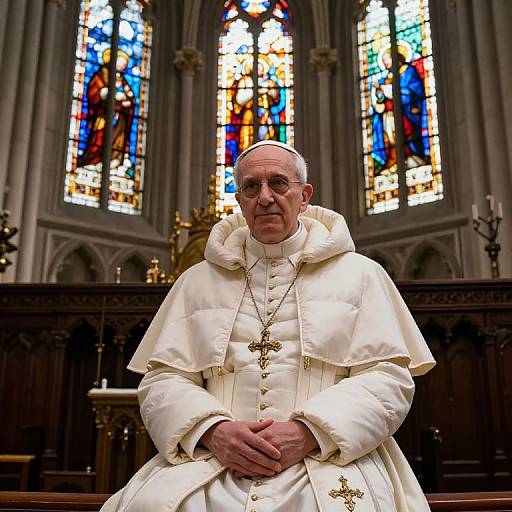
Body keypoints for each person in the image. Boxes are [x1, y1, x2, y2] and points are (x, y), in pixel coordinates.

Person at [100, 140, 435, 512]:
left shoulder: (361, 275)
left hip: (329, 455)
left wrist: (309, 432)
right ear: (239, 199)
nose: (265, 197)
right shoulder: (196, 282)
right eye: (250, 187)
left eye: (278, 183)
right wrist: (213, 431)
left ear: (304, 195)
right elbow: (162, 380)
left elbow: (388, 377)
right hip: (213, 459)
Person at [371, 44, 430, 175]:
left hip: (407, 112)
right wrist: (380, 92)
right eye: (384, 61)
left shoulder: (408, 71)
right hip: (389, 115)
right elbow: (381, 99)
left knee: (405, 134)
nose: (385, 63)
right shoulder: (386, 79)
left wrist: (390, 91)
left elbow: (414, 92)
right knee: (390, 137)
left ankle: (412, 157)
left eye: (387, 59)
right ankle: (395, 161)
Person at [77, 48, 135, 171]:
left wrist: (127, 101)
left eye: (124, 64)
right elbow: (93, 93)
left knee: (118, 138)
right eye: (120, 62)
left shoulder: (122, 81)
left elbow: (130, 98)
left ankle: (116, 159)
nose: (122, 65)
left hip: (119, 119)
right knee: (99, 137)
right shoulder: (101, 74)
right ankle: (94, 159)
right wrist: (107, 93)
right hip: (103, 115)